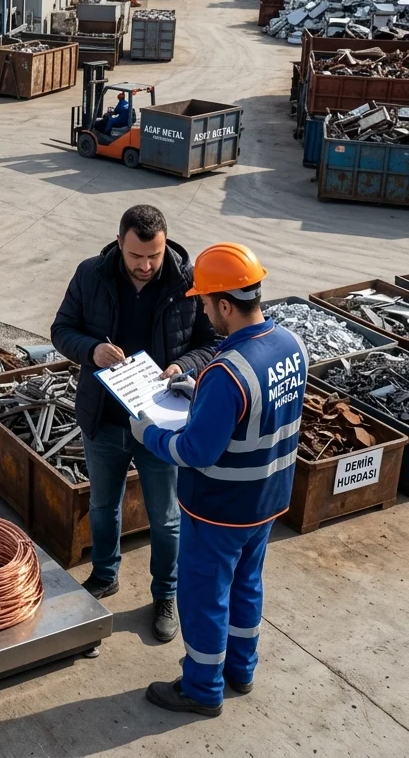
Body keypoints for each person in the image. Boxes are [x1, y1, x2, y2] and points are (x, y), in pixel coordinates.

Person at [131, 243, 307, 718]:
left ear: (225, 304)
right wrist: (202, 392)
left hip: (220, 508)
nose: (203, 310)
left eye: (206, 303)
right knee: (247, 586)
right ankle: (241, 670)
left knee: (203, 596)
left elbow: (194, 451)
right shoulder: (291, 345)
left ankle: (202, 688)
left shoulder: (227, 372)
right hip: (267, 500)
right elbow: (261, 411)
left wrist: (148, 433)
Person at [51, 205, 218, 643]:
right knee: (103, 506)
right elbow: (61, 329)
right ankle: (105, 575)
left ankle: (165, 595)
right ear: (119, 243)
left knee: (165, 519)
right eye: (135, 256)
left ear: (166, 245)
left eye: (154, 256)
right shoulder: (91, 274)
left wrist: (182, 366)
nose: (145, 266)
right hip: (103, 419)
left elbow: (212, 342)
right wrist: (91, 351)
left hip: (160, 426)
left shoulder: (187, 282)